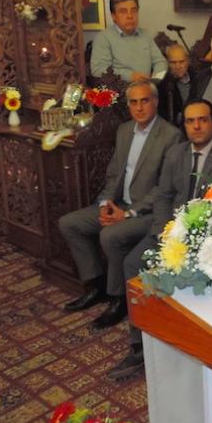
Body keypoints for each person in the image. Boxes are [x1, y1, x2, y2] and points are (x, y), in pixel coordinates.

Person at [108, 98, 212, 381]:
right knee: (133, 264)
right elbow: (164, 195)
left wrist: (197, 240)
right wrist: (164, 232)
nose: (196, 126)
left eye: (202, 120)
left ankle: (183, 344)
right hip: (169, 232)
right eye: (190, 121)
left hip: (207, 240)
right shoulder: (176, 153)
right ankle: (139, 345)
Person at [58, 81, 182, 330]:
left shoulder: (171, 135)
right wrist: (105, 203)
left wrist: (128, 213)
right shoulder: (124, 130)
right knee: (69, 223)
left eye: (145, 101)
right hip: (118, 204)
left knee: (110, 235)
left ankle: (119, 298)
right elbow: (114, 173)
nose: (139, 107)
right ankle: (96, 286)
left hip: (148, 212)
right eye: (133, 102)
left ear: (155, 102)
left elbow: (164, 187)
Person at [89, 0, 168, 81]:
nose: (130, 16)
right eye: (123, 12)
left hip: (147, 86)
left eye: (133, 11)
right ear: (114, 16)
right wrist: (129, 76)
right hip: (120, 87)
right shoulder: (103, 38)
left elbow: (160, 62)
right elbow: (98, 69)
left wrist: (155, 79)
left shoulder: (145, 35)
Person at [155, 44, 194, 128]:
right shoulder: (161, 85)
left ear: (188, 61)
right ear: (167, 63)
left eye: (181, 62)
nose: (178, 66)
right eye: (173, 62)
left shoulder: (198, 77)